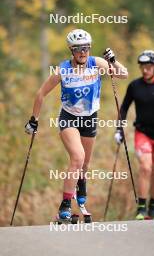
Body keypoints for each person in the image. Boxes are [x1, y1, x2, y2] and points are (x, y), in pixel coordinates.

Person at [25, 29, 128, 221]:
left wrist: (113, 61)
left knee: (85, 164)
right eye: (78, 49)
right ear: (71, 51)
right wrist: (34, 119)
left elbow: (123, 74)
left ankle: (81, 193)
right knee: (77, 158)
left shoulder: (96, 63)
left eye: (86, 48)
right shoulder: (63, 70)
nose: (83, 52)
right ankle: (65, 204)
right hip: (69, 118)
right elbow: (40, 93)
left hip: (90, 119)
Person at [115, 50, 154, 220]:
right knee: (145, 167)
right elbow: (124, 107)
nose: (145, 70)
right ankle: (141, 208)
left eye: (148, 67)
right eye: (142, 67)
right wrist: (119, 129)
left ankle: (153, 208)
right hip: (142, 133)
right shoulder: (135, 86)